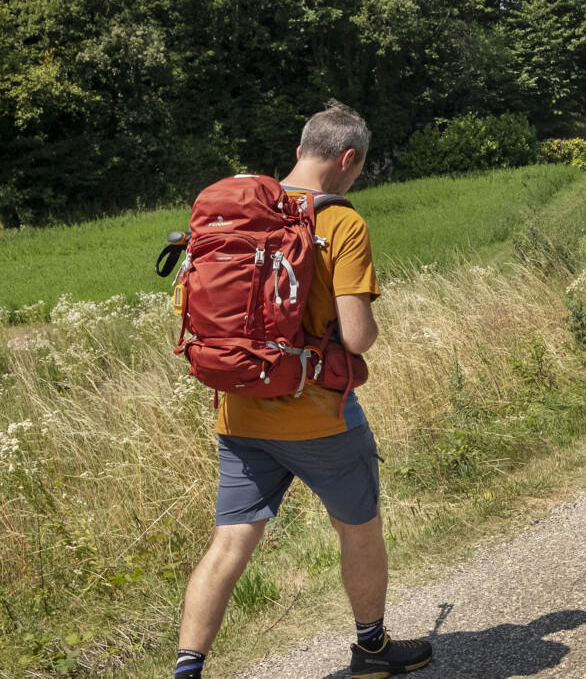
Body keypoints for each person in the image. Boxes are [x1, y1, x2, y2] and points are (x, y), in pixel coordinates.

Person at [173, 102, 431, 679]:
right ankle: (371, 649)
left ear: (297, 151)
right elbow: (359, 338)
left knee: (230, 542)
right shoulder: (340, 222)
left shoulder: (230, 216)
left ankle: (187, 669)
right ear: (348, 160)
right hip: (321, 418)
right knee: (358, 529)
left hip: (239, 413)